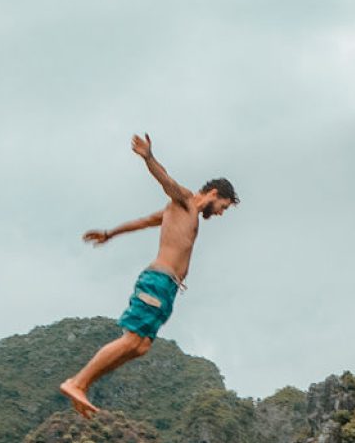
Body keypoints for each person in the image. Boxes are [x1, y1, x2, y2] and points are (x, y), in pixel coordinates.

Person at [59, 134, 238, 418]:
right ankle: (76, 382)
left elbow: (144, 222)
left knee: (140, 347)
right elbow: (167, 182)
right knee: (132, 340)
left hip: (167, 288)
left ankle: (83, 384)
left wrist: (110, 233)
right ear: (215, 193)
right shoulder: (186, 202)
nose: (221, 213)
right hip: (157, 280)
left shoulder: (179, 213)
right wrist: (149, 158)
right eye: (224, 207)